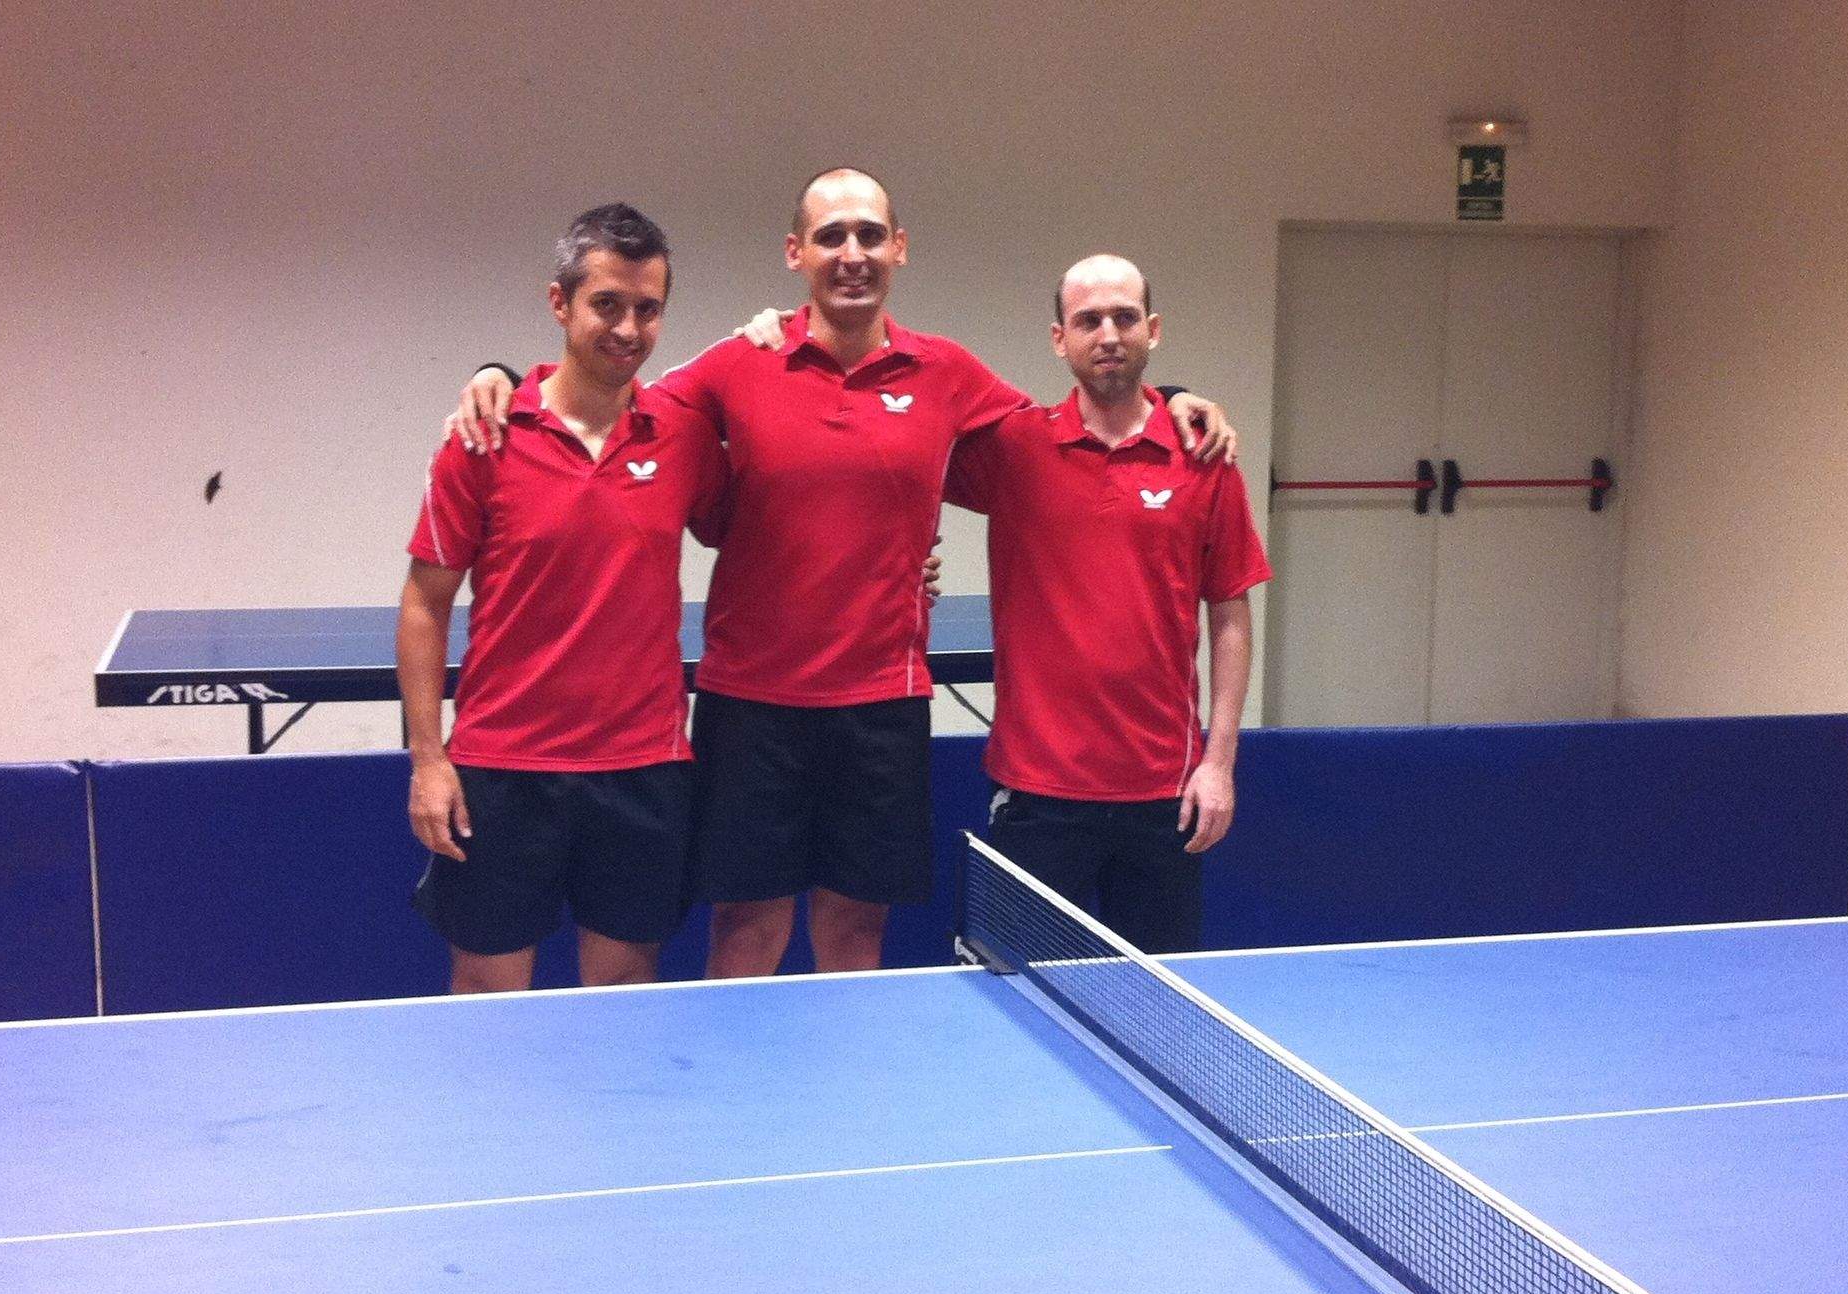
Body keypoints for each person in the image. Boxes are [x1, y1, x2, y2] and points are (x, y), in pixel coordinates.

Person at [448, 169, 1236, 978]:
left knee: (855, 933)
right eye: (830, 236)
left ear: (898, 248)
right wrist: (503, 375)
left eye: (868, 234)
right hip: (751, 702)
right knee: (746, 929)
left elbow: (1066, 433)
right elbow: (612, 392)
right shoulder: (736, 365)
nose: (851, 253)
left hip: (880, 707)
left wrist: (1169, 395)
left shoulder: (946, 373)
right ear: (796, 253)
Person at [399, 203, 727, 994]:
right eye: (606, 304)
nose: (627, 328)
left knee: (621, 1001)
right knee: (489, 1000)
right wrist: (428, 759)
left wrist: (906, 562)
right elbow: (423, 604)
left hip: (642, 768)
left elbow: (764, 534)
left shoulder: (682, 436)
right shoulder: (483, 437)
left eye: (647, 310)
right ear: (560, 304)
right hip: (502, 769)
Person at [948, 254, 1267, 952]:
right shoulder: (1015, 448)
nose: (1109, 334)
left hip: (1162, 795)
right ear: (1059, 338)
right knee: (1012, 1010)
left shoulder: (1202, 458)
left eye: (1124, 317)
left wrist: (1218, 766)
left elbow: (1232, 618)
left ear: (1151, 330)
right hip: (1037, 795)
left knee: (1156, 1017)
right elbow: (887, 458)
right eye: (1088, 320)